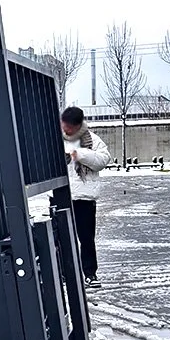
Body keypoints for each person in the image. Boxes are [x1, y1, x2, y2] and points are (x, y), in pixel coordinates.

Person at [60, 106, 111, 288]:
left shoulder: (92, 140)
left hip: (84, 197)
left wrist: (78, 154)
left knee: (86, 238)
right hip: (61, 195)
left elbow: (102, 161)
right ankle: (62, 273)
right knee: (60, 238)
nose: (67, 129)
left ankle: (90, 273)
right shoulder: (56, 139)